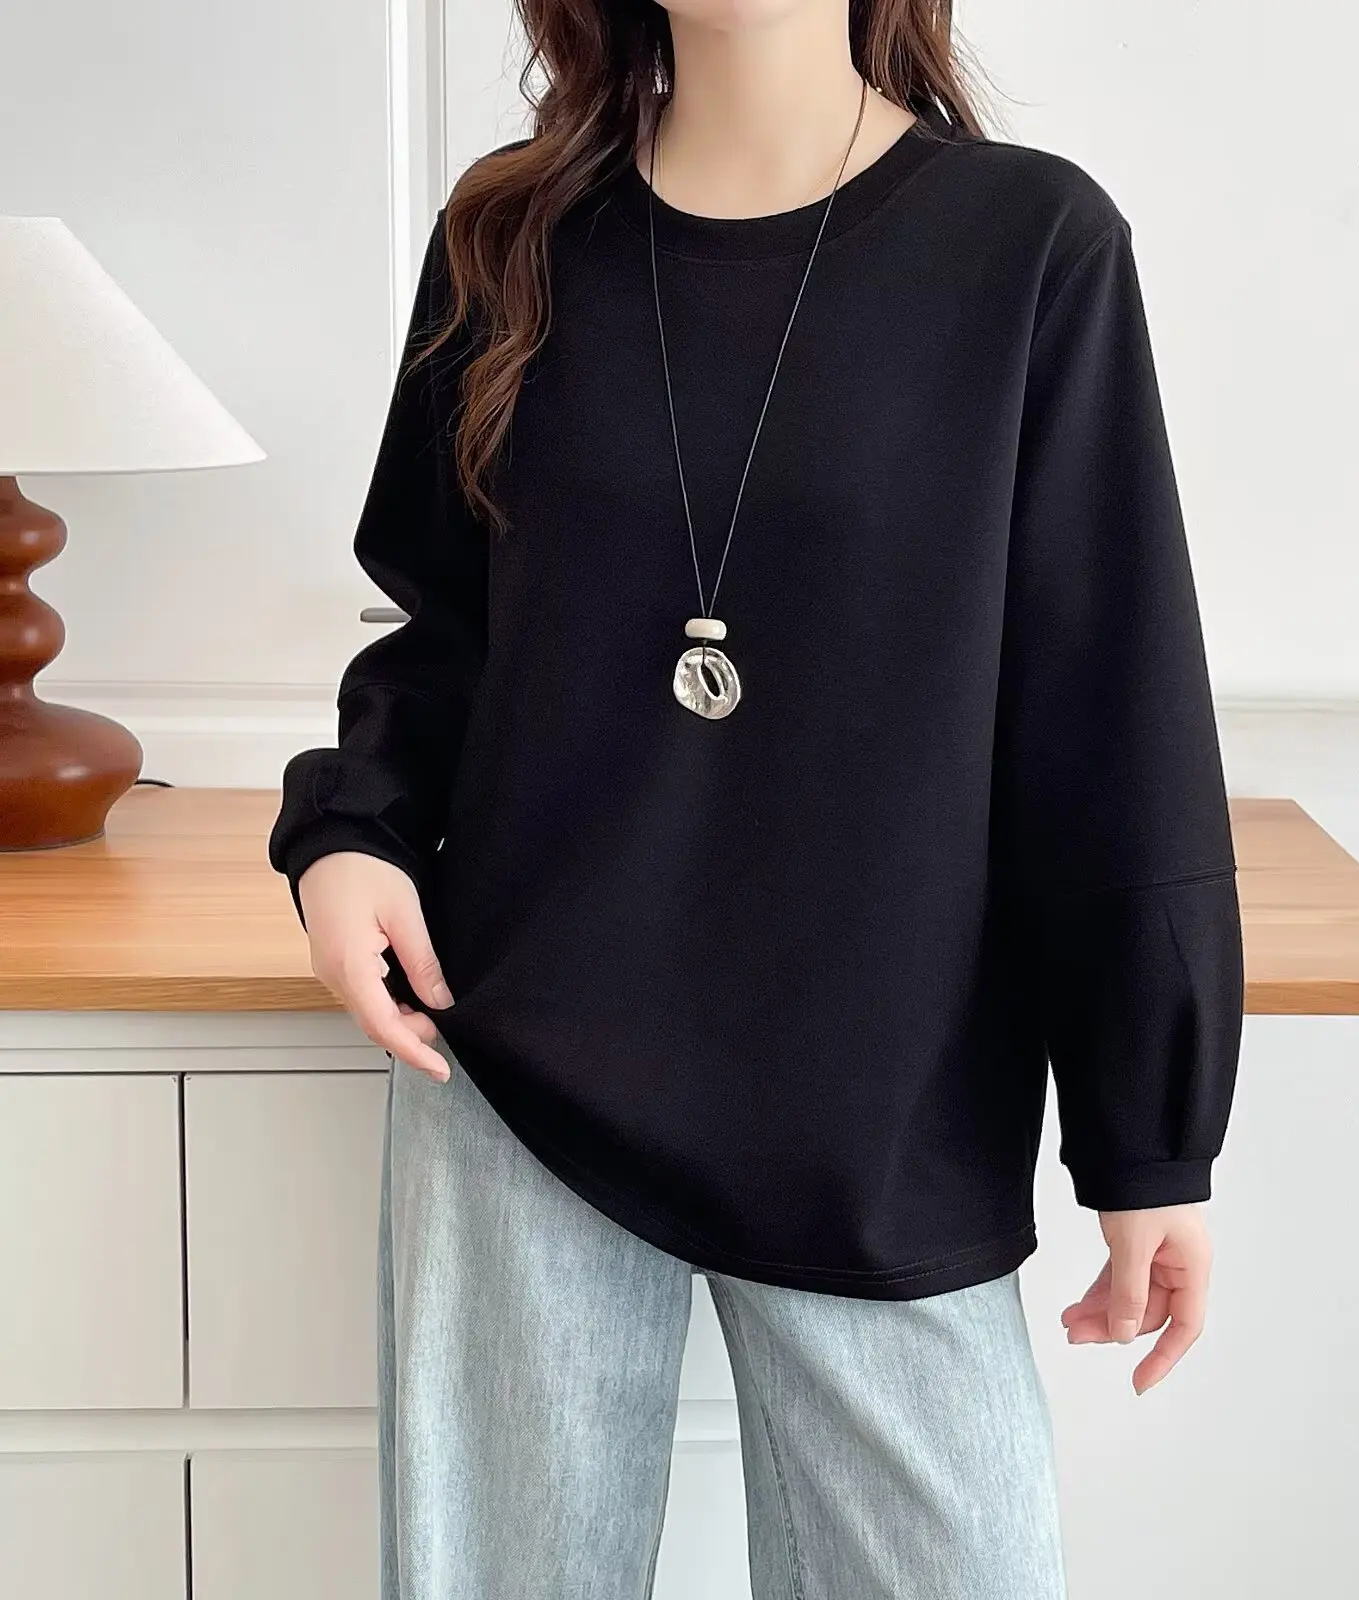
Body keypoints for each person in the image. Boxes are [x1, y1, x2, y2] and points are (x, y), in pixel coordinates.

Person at [269, 1, 1245, 1594]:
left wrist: (1151, 1146)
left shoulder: (1029, 247)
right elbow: (443, 628)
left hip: (884, 1096)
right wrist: (349, 836)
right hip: (517, 1059)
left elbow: (1106, 706)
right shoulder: (509, 236)